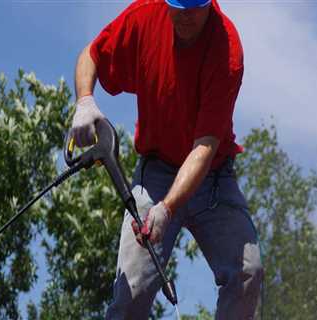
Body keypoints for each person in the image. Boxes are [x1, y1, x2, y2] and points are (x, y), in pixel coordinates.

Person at [71, 0, 263, 319]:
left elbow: (204, 148)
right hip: (156, 173)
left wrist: (168, 208)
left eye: (194, 7)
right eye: (178, 5)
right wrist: (85, 101)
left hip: (213, 178)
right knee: (131, 294)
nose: (185, 15)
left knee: (248, 273)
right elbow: (91, 54)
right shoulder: (144, 16)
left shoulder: (226, 49)